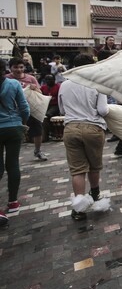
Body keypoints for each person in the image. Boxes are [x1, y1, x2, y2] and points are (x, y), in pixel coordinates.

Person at [58, 54, 109, 221]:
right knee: (94, 166)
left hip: (71, 128)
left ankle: (79, 209)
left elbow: (62, 110)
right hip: (93, 128)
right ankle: (95, 195)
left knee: (77, 169)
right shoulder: (97, 85)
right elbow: (103, 110)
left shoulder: (64, 85)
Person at [0, 59, 30, 226]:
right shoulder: (13, 84)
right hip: (13, 126)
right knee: (13, 165)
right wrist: (23, 123)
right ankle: (13, 202)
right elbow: (24, 107)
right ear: (6, 69)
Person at [7, 57, 48, 161]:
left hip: (31, 109)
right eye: (15, 67)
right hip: (13, 111)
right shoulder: (6, 79)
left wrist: (35, 88)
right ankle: (12, 155)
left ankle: (38, 150)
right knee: (15, 133)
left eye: (21, 67)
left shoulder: (30, 78)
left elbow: (40, 93)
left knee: (38, 130)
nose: (19, 70)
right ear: (10, 68)